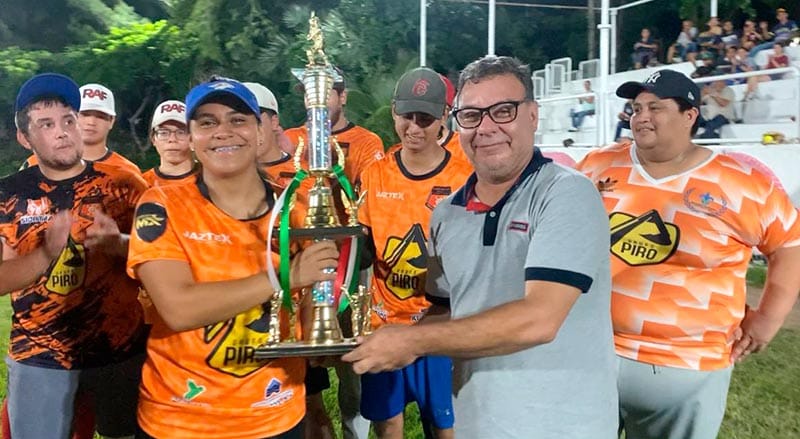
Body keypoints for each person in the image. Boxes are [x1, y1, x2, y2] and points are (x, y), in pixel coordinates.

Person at [343, 55, 618, 438]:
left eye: (503, 111)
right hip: (475, 419)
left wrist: (409, 340)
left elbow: (540, 319)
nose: (486, 127)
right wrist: (362, 341)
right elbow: (445, 309)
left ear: (533, 115)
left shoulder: (566, 193)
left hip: (558, 425)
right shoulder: (447, 213)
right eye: (472, 115)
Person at [576, 68, 800, 439]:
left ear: (689, 115)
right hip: (590, 349)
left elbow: (790, 244)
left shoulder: (741, 182)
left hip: (689, 363)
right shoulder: (597, 165)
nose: (641, 117)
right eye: (636, 108)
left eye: (655, 108)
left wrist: (767, 320)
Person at [126, 77, 339, 439]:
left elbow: (312, 301)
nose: (223, 131)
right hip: (181, 419)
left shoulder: (296, 207)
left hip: (275, 413)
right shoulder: (162, 204)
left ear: (261, 132)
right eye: (207, 122)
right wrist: (284, 276)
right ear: (191, 138)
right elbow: (178, 309)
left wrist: (323, 326)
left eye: (238, 119)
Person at [2, 73, 149, 439]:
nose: (63, 132)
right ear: (25, 138)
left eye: (69, 120)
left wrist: (119, 244)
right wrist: (45, 254)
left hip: (119, 350)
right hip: (39, 354)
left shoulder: (124, 185)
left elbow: (166, 257)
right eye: (46, 124)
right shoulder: (8, 196)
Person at [357, 67, 472, 439]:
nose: (414, 127)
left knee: (445, 425)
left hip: (442, 325)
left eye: (425, 118)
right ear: (394, 111)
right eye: (407, 116)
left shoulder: (466, 176)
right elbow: (362, 249)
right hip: (385, 325)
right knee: (388, 424)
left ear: (444, 117)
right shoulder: (375, 175)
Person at [285, 66, 385, 187]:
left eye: (324, 95)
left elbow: (372, 191)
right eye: (310, 95)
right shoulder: (290, 138)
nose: (317, 103)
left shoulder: (366, 142)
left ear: (342, 97)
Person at [21, 83, 141, 176]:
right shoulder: (36, 164)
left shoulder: (128, 171)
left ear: (111, 121)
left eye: (100, 116)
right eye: (84, 114)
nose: (91, 122)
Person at [142, 100, 196, 186]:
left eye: (181, 132)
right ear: (153, 139)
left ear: (193, 138)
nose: (172, 139)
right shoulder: (141, 185)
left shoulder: (212, 181)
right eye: (163, 133)